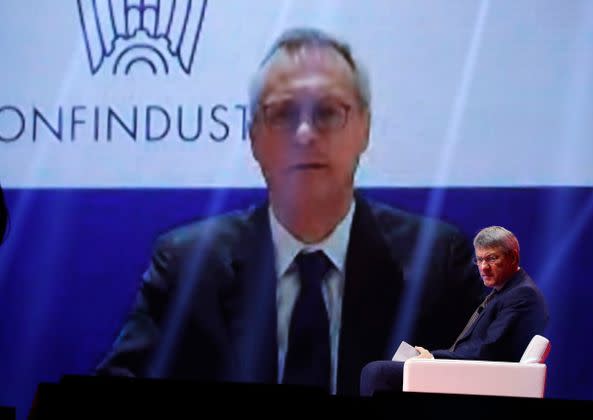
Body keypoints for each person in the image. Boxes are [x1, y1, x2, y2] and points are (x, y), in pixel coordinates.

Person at [95, 27, 483, 396]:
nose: (304, 134)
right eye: (282, 114)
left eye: (328, 113)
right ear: (254, 138)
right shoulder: (189, 267)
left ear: (364, 128)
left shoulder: (436, 265)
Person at [359, 225, 549, 396]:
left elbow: (489, 350)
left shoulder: (522, 295)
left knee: (377, 372)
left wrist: (433, 358)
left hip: (477, 378)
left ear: (513, 257)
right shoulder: (507, 291)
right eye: (479, 260)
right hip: (466, 370)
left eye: (492, 258)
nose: (484, 267)